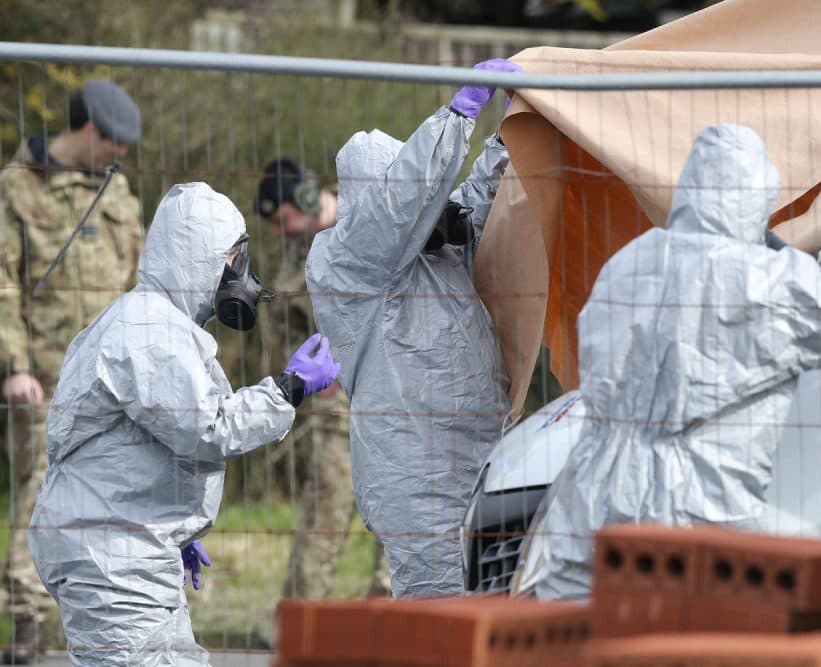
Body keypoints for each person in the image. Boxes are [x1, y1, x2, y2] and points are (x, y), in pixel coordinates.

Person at [516, 123, 821, 600]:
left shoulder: (628, 265)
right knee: (688, 632)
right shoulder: (764, 284)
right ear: (755, 196)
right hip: (698, 511)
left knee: (581, 629)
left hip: (592, 502)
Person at [28, 182, 339, 666]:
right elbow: (209, 429)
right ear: (198, 254)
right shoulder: (148, 330)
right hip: (113, 555)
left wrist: (177, 522)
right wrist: (289, 388)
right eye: (234, 258)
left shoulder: (156, 324)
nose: (241, 273)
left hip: (130, 545)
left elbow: (136, 443)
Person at [305, 58, 521, 597]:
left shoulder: (431, 250)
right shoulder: (347, 260)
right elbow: (400, 207)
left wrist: (509, 136)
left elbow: (474, 203)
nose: (429, 212)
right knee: (440, 613)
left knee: (491, 604)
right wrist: (457, 118)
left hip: (476, 455)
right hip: (416, 476)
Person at [0, 79, 144, 663]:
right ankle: (28, 624)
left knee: (111, 498)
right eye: (114, 144)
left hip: (110, 380)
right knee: (40, 493)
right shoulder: (17, 188)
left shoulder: (117, 191)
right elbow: (3, 283)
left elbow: (138, 281)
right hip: (45, 377)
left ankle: (96, 617)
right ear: (88, 131)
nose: (120, 155)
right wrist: (15, 367)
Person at [254, 160, 387, 598]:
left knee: (401, 503)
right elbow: (284, 326)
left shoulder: (368, 216)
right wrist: (309, 373)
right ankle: (298, 619)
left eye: (283, 220)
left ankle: (391, 614)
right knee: (326, 504)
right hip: (337, 404)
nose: (281, 232)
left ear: (307, 198)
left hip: (396, 390)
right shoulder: (296, 256)